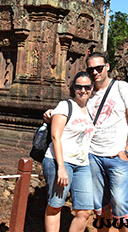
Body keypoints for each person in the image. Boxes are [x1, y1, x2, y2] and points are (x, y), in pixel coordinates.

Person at [85, 52, 128, 232]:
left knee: (120, 205)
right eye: (91, 69)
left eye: (99, 68)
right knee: (100, 207)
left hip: (117, 156)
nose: (95, 72)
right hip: (93, 156)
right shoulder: (87, 93)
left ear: (107, 67)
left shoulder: (121, 87)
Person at [43, 71, 95, 232]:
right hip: (59, 161)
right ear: (73, 88)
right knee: (55, 206)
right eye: (79, 87)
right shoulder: (65, 106)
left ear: (92, 88)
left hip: (82, 164)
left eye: (87, 87)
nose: (83, 90)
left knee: (85, 211)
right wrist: (61, 168)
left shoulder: (92, 109)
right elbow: (55, 137)